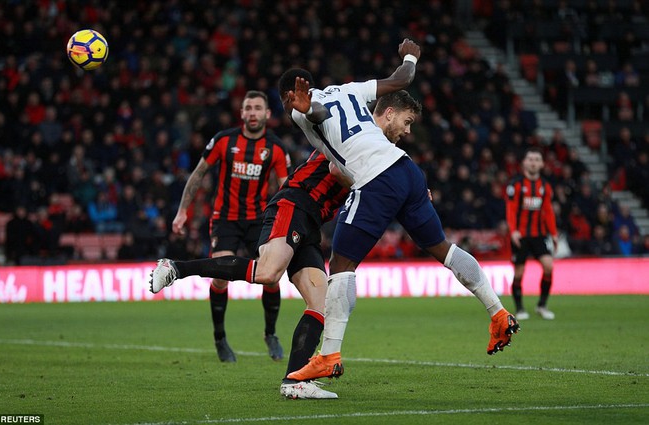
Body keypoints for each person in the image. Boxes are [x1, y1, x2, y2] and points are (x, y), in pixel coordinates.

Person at [279, 38, 519, 386]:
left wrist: (302, 108)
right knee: (443, 249)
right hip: (407, 171)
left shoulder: (304, 106)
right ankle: (498, 313)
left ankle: (329, 355)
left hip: (375, 179)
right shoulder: (352, 90)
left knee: (341, 266)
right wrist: (411, 55)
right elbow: (402, 79)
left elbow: (317, 114)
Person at [150, 90, 416, 399]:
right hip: (295, 204)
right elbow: (334, 170)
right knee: (267, 274)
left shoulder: (380, 150)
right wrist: (388, 191)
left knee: (321, 302)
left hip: (311, 220)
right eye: (407, 122)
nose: (408, 131)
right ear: (389, 113)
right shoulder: (360, 136)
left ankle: (294, 381)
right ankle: (175, 268)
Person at [160, 90, 292, 363]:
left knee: (272, 275)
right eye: (248, 108)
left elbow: (287, 188)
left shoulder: (276, 148)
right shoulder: (224, 140)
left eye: (258, 108)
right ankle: (220, 338)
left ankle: (270, 334)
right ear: (241, 113)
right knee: (220, 277)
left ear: (267, 114)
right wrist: (183, 210)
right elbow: (198, 174)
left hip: (259, 219)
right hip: (225, 218)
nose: (252, 113)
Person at [505, 147, 558, 320]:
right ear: (524, 163)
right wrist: (513, 231)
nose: (533, 162)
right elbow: (511, 210)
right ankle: (520, 309)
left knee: (548, 266)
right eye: (530, 159)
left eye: (537, 159)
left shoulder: (545, 187)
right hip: (520, 235)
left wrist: (554, 234)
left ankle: (542, 306)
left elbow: (548, 211)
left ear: (542, 164)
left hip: (539, 235)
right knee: (519, 272)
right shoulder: (515, 185)